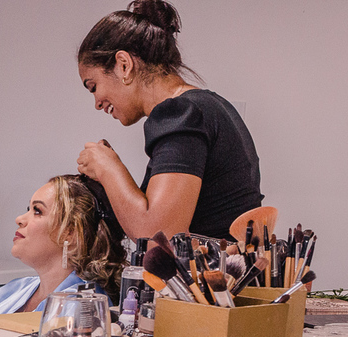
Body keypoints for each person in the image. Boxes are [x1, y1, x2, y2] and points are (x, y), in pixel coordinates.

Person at [74, 0, 263, 240]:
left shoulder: (181, 113)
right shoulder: (212, 106)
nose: (97, 103)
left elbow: (158, 236)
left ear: (124, 65)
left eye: (93, 86)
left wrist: (108, 168)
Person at [0, 174, 125, 330]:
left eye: (37, 211)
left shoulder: (85, 306)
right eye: (28, 209)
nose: (19, 219)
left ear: (70, 233)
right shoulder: (19, 287)